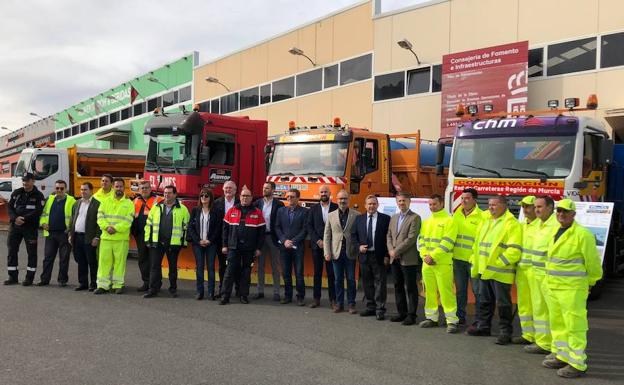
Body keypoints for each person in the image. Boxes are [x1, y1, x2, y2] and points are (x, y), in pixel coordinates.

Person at [541, 199, 602, 378]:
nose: (561, 214)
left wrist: (591, 282)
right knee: (558, 325)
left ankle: (577, 363)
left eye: (565, 212)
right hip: (553, 287)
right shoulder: (555, 231)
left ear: (573, 214)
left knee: (575, 326)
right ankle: (562, 355)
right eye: (559, 211)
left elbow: (593, 263)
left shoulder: (583, 235)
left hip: (572, 289)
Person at [468, 195, 522, 345]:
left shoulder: (512, 224)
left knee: (503, 303)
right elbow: (477, 244)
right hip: (484, 270)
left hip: (500, 272)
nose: (490, 208)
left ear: (504, 206)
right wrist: (474, 259)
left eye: (494, 205)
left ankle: (505, 332)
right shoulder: (487, 221)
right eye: (489, 205)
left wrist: (498, 263)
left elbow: (514, 250)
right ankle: (484, 327)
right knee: (485, 301)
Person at [418, 194, 459, 333]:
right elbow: (421, 241)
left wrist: (432, 256)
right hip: (427, 263)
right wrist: (424, 255)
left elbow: (448, 242)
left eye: (434, 204)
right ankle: (431, 318)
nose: (432, 207)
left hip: (442, 263)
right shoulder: (426, 222)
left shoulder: (449, 221)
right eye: (430, 204)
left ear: (441, 203)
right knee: (429, 292)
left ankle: (452, 321)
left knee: (446, 293)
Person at [523, 196, 558, 355]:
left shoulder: (555, 226)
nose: (536, 210)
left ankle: (555, 347)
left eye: (540, 207)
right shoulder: (538, 224)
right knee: (539, 309)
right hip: (536, 274)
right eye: (535, 207)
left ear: (550, 208)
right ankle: (543, 342)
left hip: (549, 276)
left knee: (553, 312)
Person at [219, 186, 265, 305]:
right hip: (233, 247)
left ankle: (243, 295)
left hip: (249, 249)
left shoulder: (258, 213)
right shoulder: (232, 211)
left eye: (247, 196)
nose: (245, 198)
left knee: (246, 273)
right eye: (243, 195)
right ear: (239, 197)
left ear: (251, 198)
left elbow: (261, 233)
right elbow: (225, 230)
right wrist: (224, 245)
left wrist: (259, 248)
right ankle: (225, 296)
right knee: (229, 272)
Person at [143, 185, 190, 298]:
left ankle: (173, 289)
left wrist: (183, 242)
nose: (166, 195)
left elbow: (186, 227)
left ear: (175, 194)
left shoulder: (183, 209)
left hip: (173, 243)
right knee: (154, 267)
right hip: (157, 242)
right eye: (165, 193)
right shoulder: (156, 207)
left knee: (173, 267)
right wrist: (147, 240)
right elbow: (148, 225)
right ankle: (153, 289)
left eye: (169, 193)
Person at [351, 195, 390, 320]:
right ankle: (370, 307)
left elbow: (389, 239)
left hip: (379, 256)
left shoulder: (385, 219)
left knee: (380, 283)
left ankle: (380, 309)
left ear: (377, 205)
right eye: (369, 204)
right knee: (367, 283)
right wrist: (358, 247)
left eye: (374, 204)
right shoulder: (359, 219)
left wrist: (386, 255)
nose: (371, 206)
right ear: (365, 205)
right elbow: (353, 236)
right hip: (364, 256)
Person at [94, 178, 135, 294]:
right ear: (113, 187)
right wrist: (107, 227)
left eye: (121, 186)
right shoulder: (105, 201)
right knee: (104, 263)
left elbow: (128, 221)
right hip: (106, 238)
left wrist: (115, 228)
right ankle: (103, 285)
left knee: (119, 263)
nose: (119, 189)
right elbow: (100, 217)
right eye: (116, 186)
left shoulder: (128, 203)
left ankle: (118, 285)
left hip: (121, 239)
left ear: (124, 188)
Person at [386, 192, 421, 325]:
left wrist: (396, 250)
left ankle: (411, 315)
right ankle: (402, 313)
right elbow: (388, 235)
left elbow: (411, 238)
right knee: (397, 286)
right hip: (394, 258)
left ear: (409, 202)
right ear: (397, 202)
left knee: (411, 287)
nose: (401, 203)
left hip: (408, 259)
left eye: (404, 201)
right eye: (399, 201)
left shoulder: (415, 218)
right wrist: (391, 251)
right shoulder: (393, 217)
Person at [4, 172, 45, 286]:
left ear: (33, 181)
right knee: (12, 251)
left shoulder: (38, 195)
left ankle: (29, 278)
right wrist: (15, 218)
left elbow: (38, 211)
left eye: (27, 180)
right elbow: (10, 207)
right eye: (24, 180)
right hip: (15, 226)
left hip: (30, 228)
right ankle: (12, 277)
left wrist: (24, 219)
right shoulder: (17, 193)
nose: (25, 182)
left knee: (31, 253)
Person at [452, 187, 485, 325]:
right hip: (458, 259)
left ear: (474, 200)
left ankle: (479, 319)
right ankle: (460, 317)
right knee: (460, 291)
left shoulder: (483, 216)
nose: (464, 201)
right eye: (462, 198)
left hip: (474, 261)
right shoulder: (456, 215)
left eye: (467, 198)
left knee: (478, 292)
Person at [323, 190, 359, 314]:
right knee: (337, 279)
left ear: (349, 199)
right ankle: (339, 303)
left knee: (350, 279)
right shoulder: (331, 215)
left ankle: (351, 304)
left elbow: (359, 234)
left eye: (345, 198)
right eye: (340, 199)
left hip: (350, 252)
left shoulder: (357, 215)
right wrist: (327, 252)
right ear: (336, 200)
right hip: (335, 252)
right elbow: (327, 235)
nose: (342, 201)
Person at [37, 180, 76, 287]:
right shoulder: (50, 199)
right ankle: (44, 279)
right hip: (50, 234)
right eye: (57, 188)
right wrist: (43, 223)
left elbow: (74, 217)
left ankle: (62, 280)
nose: (59, 190)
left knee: (64, 258)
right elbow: (44, 214)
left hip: (64, 233)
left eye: (61, 188)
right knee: (48, 258)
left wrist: (70, 232)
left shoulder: (71, 201)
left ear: (66, 189)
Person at [275, 188, 308, 306]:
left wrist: (293, 241)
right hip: (284, 247)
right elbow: (277, 227)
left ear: (298, 198)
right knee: (286, 272)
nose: (289, 198)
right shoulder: (281, 211)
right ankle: (287, 296)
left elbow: (305, 230)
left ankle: (300, 297)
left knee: (299, 273)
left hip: (297, 247)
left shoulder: (304, 212)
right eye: (288, 196)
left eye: (292, 196)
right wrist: (284, 241)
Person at [307, 185, 337, 309]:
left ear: (330, 193)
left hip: (331, 246)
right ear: (319, 194)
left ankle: (333, 300)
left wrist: (329, 242)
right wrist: (318, 240)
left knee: (331, 274)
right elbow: (309, 226)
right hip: (317, 245)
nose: (323, 193)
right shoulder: (313, 209)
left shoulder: (336, 207)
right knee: (317, 273)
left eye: (326, 192)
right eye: (322, 192)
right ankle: (316, 299)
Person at [187, 188, 221, 300]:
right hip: (198, 244)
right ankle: (199, 292)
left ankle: (211, 292)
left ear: (211, 198)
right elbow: (190, 227)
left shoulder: (216, 211)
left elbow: (218, 228)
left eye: (206, 196)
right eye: (202, 196)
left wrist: (209, 240)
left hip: (211, 244)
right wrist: (198, 240)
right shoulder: (195, 210)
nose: (204, 198)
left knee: (211, 268)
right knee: (199, 267)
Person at [254, 182, 284, 301]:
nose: (264, 190)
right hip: (260, 238)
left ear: (273, 190)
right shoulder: (257, 203)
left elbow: (281, 222)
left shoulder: (279, 204)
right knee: (260, 266)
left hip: (274, 238)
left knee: (275, 266)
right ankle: (260, 291)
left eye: (267, 188)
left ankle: (276, 292)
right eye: (263, 188)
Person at [514, 195, 538, 345]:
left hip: (536, 272)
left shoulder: (543, 227)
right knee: (524, 304)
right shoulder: (521, 225)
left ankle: (541, 339)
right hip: (522, 271)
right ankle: (527, 334)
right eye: (523, 206)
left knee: (538, 306)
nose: (525, 209)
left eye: (528, 206)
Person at [68, 182, 101, 291]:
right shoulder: (76, 203)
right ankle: (83, 283)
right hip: (77, 237)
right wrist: (70, 234)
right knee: (80, 261)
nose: (83, 192)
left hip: (89, 238)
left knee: (92, 261)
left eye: (85, 189)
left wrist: (97, 237)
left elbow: (99, 223)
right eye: (81, 189)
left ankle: (93, 284)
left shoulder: (97, 204)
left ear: (91, 191)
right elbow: (72, 220)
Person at [132, 181, 163, 292]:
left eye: (146, 188)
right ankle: (146, 282)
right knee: (143, 259)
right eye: (142, 188)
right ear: (139, 190)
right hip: (140, 235)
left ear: (151, 188)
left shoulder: (159, 200)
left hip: (154, 235)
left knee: (154, 261)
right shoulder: (135, 201)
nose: (144, 190)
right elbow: (132, 217)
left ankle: (155, 284)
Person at [213, 180, 239, 298]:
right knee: (222, 266)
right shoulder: (216, 203)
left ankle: (239, 291)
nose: (228, 190)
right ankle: (222, 289)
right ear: (223, 189)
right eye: (226, 188)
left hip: (237, 240)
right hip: (221, 240)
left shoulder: (240, 202)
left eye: (230, 188)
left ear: (235, 190)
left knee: (238, 266)